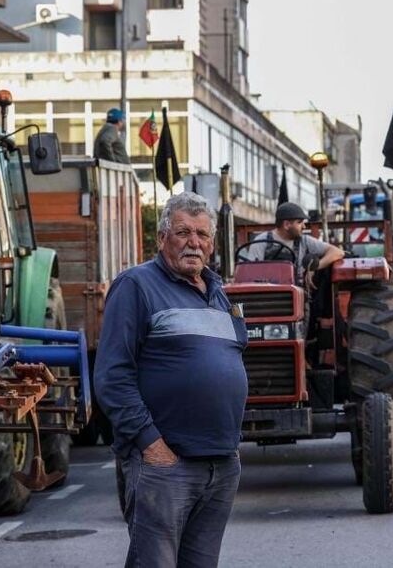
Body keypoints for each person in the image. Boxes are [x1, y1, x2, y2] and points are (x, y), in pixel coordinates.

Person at [94, 191, 248, 568]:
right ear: (162, 238)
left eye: (202, 234)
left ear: (212, 243)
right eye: (183, 232)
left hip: (220, 464)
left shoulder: (218, 294)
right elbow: (112, 376)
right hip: (167, 464)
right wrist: (152, 446)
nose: (193, 242)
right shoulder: (136, 286)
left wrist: (230, 448)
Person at [241, 201, 345, 290]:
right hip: (267, 295)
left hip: (297, 294)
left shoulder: (304, 241)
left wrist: (314, 268)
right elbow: (251, 273)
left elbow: (338, 252)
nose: (304, 226)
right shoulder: (261, 242)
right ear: (287, 225)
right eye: (299, 222)